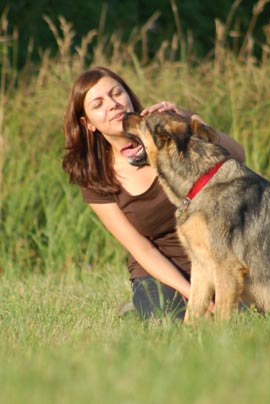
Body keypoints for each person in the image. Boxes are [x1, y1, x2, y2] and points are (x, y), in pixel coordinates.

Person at [62, 66, 245, 320]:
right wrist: (193, 295)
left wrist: (188, 119)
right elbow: (142, 250)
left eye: (117, 93)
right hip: (162, 272)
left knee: (249, 314)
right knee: (167, 319)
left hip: (217, 257)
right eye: (98, 104)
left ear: (129, 96)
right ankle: (137, 309)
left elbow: (237, 155)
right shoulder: (96, 178)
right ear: (87, 123)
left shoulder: (169, 133)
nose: (113, 104)